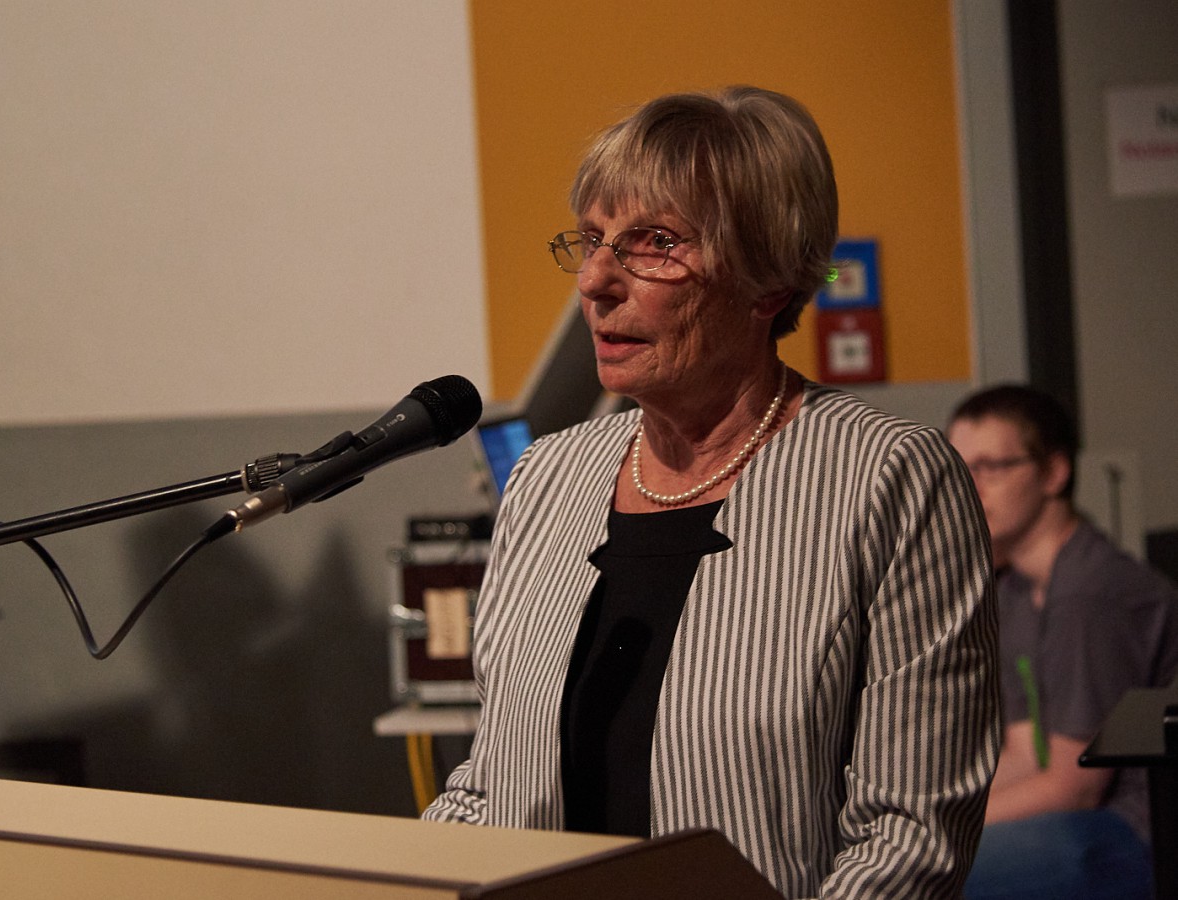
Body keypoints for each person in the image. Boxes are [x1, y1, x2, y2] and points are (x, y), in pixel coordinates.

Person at [421, 85, 999, 898]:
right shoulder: (548, 478)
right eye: (592, 240)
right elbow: (490, 788)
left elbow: (910, 836)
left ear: (768, 282)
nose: (596, 280)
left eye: (654, 243)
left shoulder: (889, 479)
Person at [948, 385, 1178, 899]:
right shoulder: (1013, 588)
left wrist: (931, 833)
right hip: (1079, 817)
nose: (969, 487)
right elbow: (1026, 755)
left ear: (1053, 473)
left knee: (915, 877)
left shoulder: (1090, 592)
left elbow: (1075, 787)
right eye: (959, 468)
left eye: (990, 467)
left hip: (1135, 832)